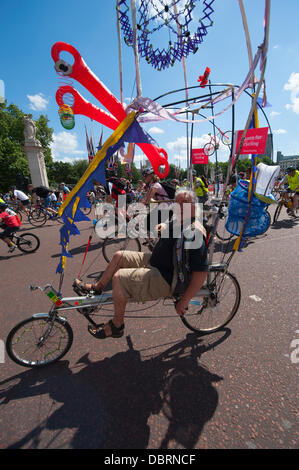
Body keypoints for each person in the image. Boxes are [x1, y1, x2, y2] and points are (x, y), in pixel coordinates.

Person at [73, 189, 208, 339]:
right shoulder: (178, 219)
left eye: (184, 203)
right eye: (177, 202)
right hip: (155, 262)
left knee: (119, 278)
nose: (179, 206)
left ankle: (117, 325)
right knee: (119, 256)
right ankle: (97, 288)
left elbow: (201, 273)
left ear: (194, 207)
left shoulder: (194, 232)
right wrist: (162, 226)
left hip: (167, 277)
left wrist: (184, 300)